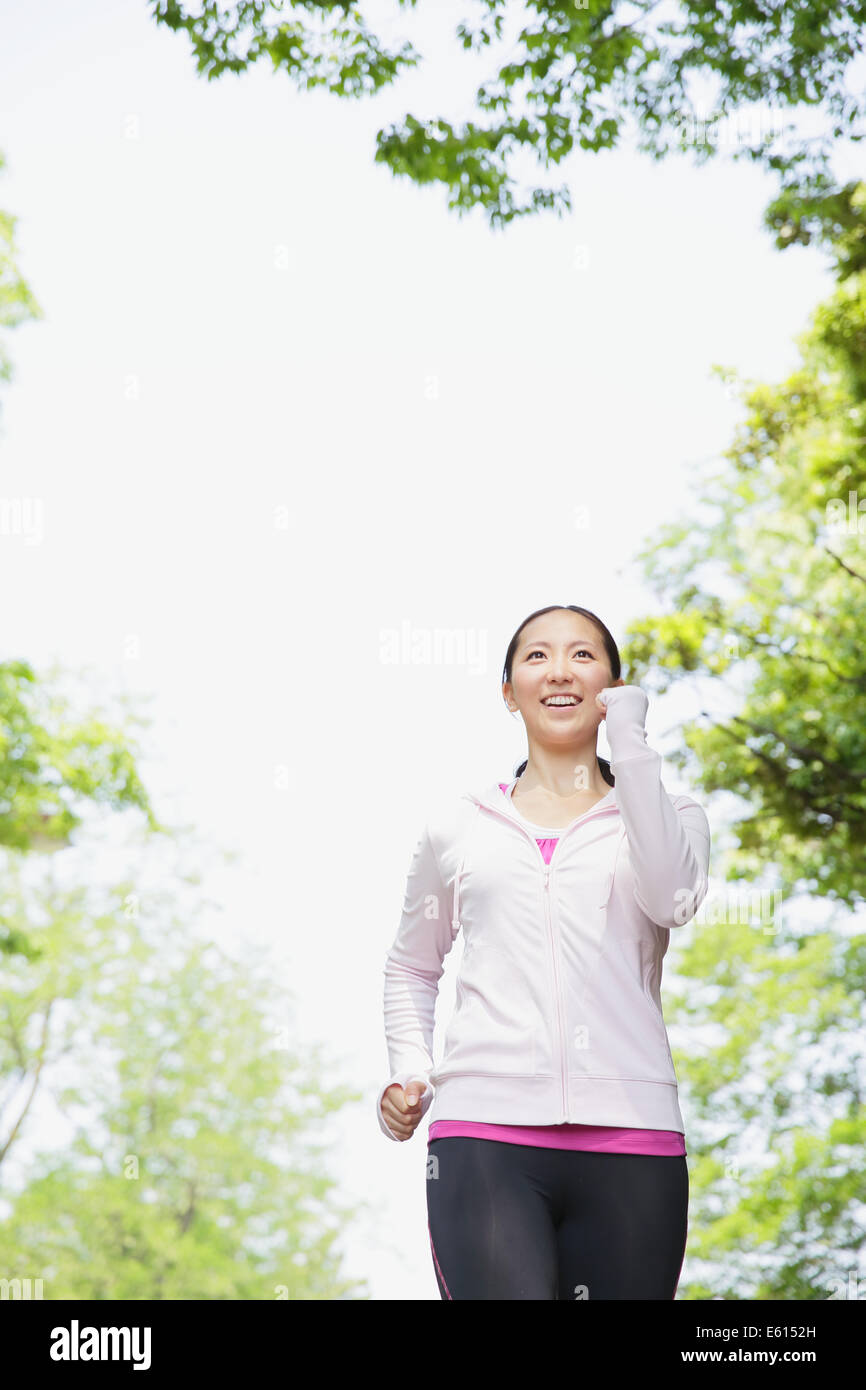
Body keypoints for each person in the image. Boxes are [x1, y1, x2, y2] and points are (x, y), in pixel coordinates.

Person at [376, 604, 711, 1300]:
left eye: (584, 656)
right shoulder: (460, 826)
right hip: (483, 1139)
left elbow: (671, 900)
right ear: (508, 692)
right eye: (537, 656)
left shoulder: (671, 816)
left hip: (634, 1138)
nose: (560, 670)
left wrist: (633, 741)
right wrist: (408, 1071)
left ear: (615, 685)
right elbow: (412, 966)